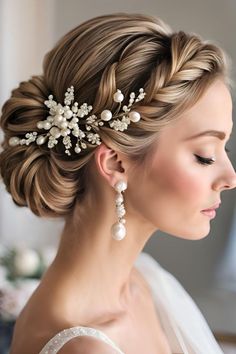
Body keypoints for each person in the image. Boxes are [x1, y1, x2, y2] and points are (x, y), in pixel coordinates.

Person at [0, 12, 235, 354]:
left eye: (223, 148)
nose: (230, 178)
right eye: (204, 155)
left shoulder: (147, 281)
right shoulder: (85, 347)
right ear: (116, 163)